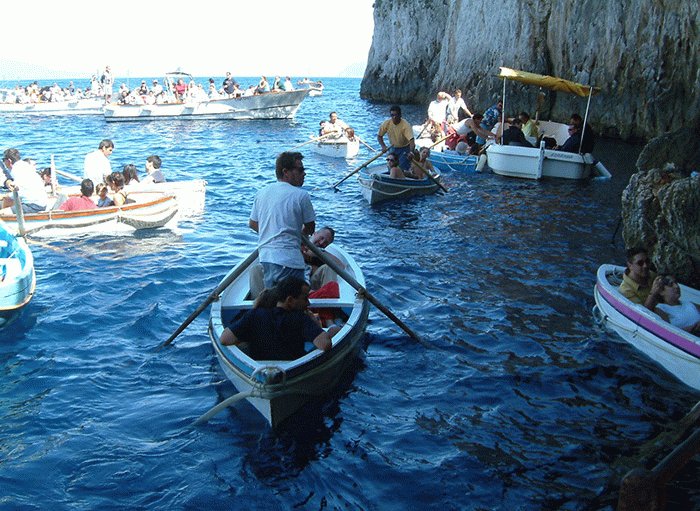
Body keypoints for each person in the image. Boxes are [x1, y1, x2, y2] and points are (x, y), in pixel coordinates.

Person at [220, 276, 336, 360]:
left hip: (259, 367)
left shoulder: (254, 314)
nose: (308, 303)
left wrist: (249, 334)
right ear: (290, 300)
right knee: (335, 331)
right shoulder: (301, 319)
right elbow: (324, 344)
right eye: (305, 298)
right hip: (293, 370)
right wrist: (316, 325)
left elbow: (225, 339)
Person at [249, 151, 316, 289]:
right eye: (300, 169)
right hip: (290, 260)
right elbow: (310, 228)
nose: (304, 173)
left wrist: (273, 230)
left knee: (274, 303)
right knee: (293, 304)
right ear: (285, 172)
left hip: (266, 259)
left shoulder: (261, 193)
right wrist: (297, 234)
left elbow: (253, 224)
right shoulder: (302, 196)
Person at [1, 148, 49, 214]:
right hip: (40, 203)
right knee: (7, 200)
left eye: (4, 160)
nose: (3, 162)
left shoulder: (16, 170)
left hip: (33, 206)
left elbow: (19, 192)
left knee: (2, 212)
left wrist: (5, 196)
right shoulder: (24, 165)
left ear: (9, 161)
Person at [377, 105, 415, 171]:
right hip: (393, 148)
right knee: (391, 167)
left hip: (404, 149)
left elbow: (411, 141)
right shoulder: (387, 123)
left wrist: (411, 152)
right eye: (392, 115)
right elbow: (379, 136)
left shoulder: (406, 125)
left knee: (402, 168)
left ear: (400, 115)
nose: (394, 117)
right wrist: (383, 146)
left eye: (396, 115)